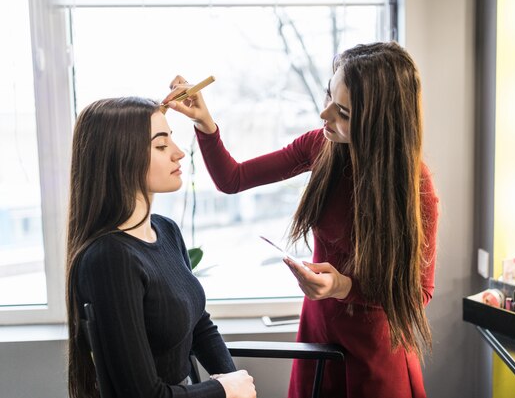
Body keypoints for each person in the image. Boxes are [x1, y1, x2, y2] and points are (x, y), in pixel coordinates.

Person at [163, 41, 439, 398]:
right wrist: (205, 122)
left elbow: (419, 292)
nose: (325, 115)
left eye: (344, 113)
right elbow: (232, 179)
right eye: (328, 97)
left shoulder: (415, 188)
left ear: (380, 124)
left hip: (375, 352)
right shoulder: (320, 147)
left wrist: (345, 287)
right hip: (318, 332)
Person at [65, 97, 256, 398]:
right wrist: (223, 391)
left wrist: (233, 379)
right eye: (161, 146)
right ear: (121, 157)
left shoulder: (165, 230)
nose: (179, 154)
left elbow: (198, 323)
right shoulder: (110, 260)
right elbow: (143, 395)